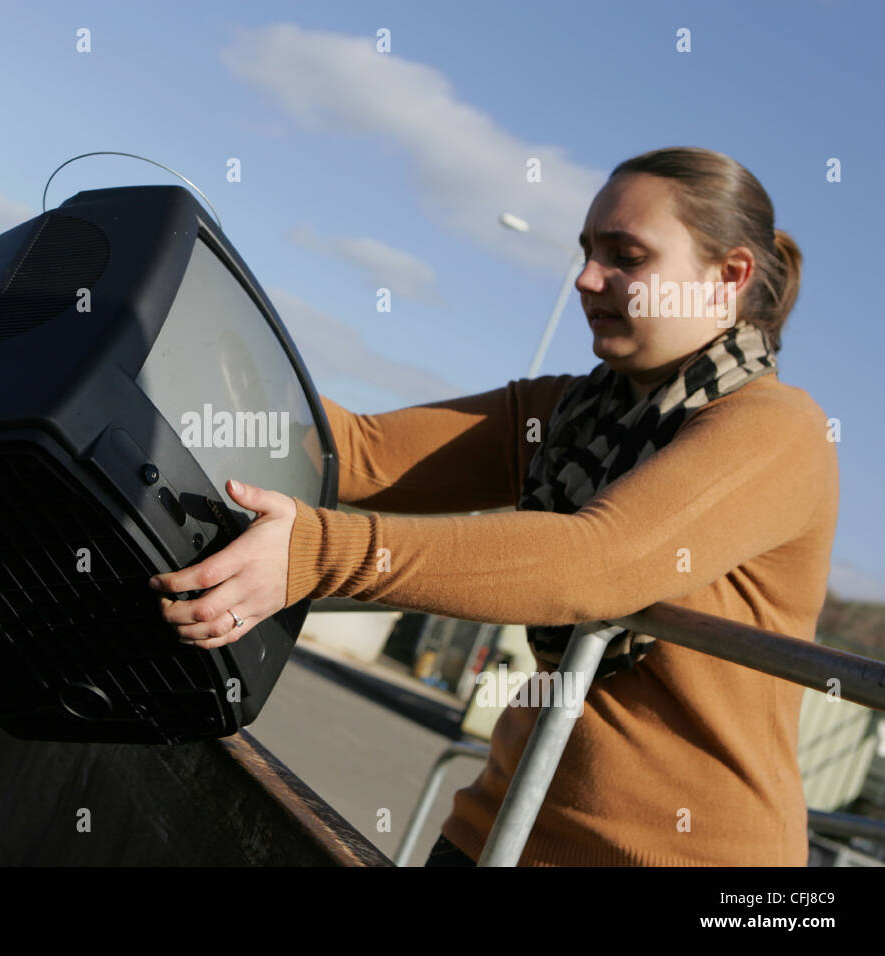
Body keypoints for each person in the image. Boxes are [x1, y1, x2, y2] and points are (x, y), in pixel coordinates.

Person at [148, 146, 837, 866]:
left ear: (728, 277)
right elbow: (357, 451)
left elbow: (594, 562)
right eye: (586, 250)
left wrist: (318, 553)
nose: (586, 276)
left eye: (625, 255)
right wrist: (177, 357)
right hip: (497, 833)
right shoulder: (566, 414)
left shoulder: (776, 430)